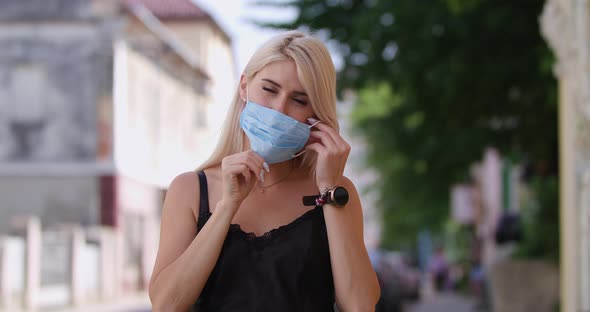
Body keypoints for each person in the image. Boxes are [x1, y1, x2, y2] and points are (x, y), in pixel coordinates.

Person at [147, 30, 381, 312]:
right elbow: (166, 305)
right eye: (269, 90)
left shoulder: (336, 192)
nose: (279, 109)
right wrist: (227, 207)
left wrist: (329, 189)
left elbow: (360, 305)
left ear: (316, 116)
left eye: (299, 99)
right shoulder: (191, 189)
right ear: (244, 87)